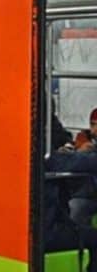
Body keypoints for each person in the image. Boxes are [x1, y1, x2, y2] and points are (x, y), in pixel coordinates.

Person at [45, 115, 97, 271]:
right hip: (84, 195)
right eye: (92, 124)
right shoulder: (83, 140)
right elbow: (57, 161)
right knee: (77, 207)